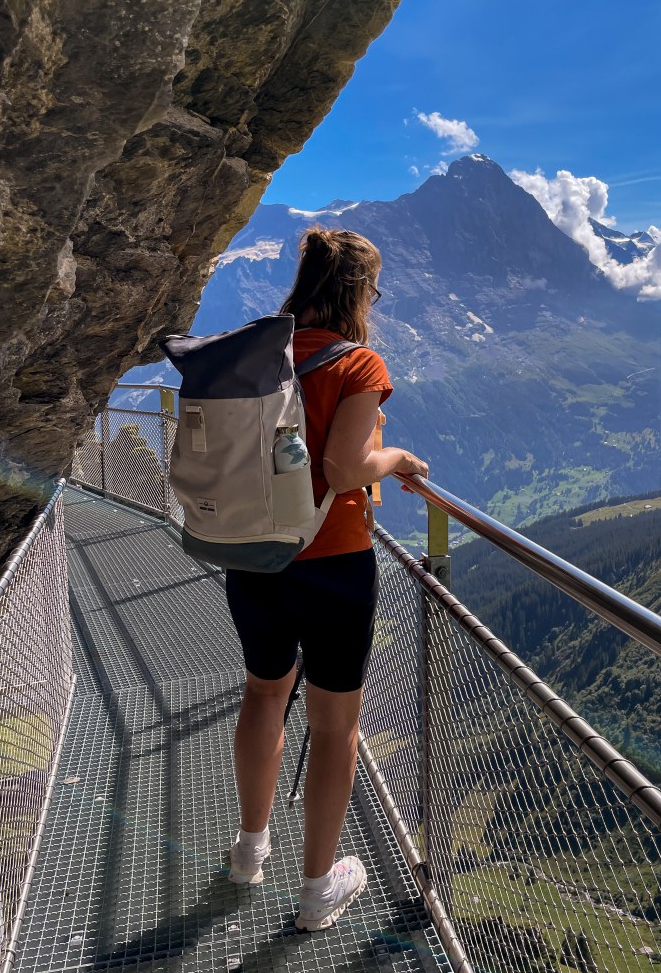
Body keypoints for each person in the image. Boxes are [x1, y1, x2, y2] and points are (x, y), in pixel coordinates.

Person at [223, 227, 428, 931]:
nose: (375, 299)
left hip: (251, 554)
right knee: (335, 728)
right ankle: (317, 892)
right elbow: (344, 469)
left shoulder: (255, 353)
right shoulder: (360, 365)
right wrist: (396, 455)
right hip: (332, 560)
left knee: (262, 693)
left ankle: (250, 854)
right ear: (357, 293)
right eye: (374, 289)